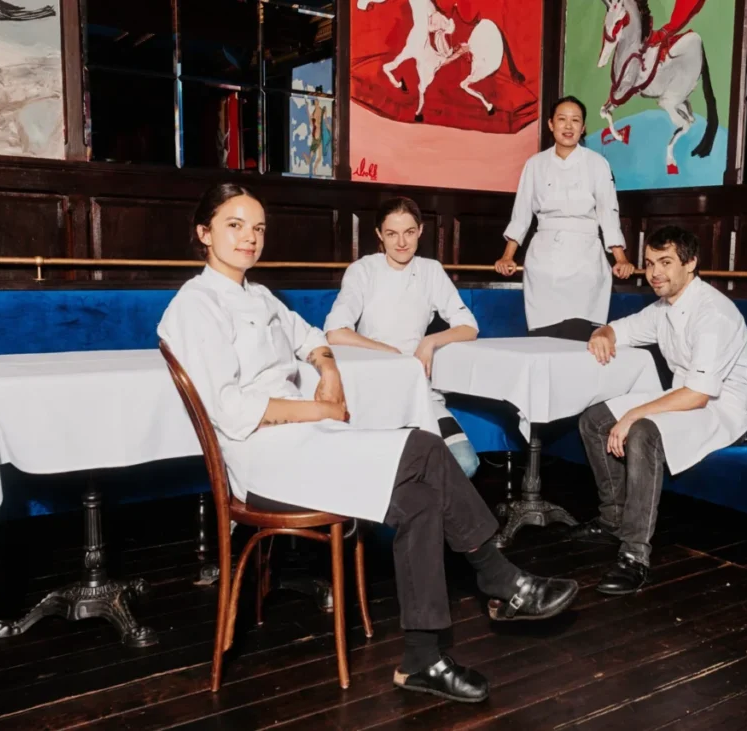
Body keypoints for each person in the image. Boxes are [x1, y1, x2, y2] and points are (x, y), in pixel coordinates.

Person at [157, 183, 578, 703]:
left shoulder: (258, 296)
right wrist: (321, 409)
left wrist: (327, 368)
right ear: (204, 233)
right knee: (425, 447)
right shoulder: (194, 306)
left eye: (258, 228)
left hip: (304, 442)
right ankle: (500, 579)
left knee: (420, 498)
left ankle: (423, 659)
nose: (250, 237)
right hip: (263, 460)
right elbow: (232, 410)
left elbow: (313, 336)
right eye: (235, 225)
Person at [573, 225, 747, 594]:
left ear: (691, 264)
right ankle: (613, 518)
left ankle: (634, 556)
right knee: (594, 420)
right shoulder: (665, 307)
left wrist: (633, 415)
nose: (654, 273)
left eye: (665, 262)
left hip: (723, 411)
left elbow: (699, 395)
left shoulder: (713, 314)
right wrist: (602, 334)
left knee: (642, 430)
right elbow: (621, 329)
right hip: (685, 399)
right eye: (648, 263)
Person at [324, 196, 480, 478]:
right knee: (386, 471)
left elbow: (469, 327)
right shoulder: (363, 270)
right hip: (372, 389)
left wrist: (430, 341)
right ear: (379, 234)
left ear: (420, 230)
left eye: (409, 232)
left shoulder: (431, 270)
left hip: (420, 391)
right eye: (391, 234)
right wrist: (390, 353)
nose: (401, 243)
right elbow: (335, 332)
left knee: (464, 462)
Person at [494, 95, 635, 341]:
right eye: (562, 119)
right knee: (544, 336)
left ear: (583, 127)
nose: (568, 126)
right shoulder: (535, 164)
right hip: (544, 261)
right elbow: (521, 214)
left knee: (581, 336)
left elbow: (608, 214)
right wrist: (508, 256)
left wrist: (621, 259)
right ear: (551, 124)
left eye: (575, 120)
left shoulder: (598, 164)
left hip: (586, 260)